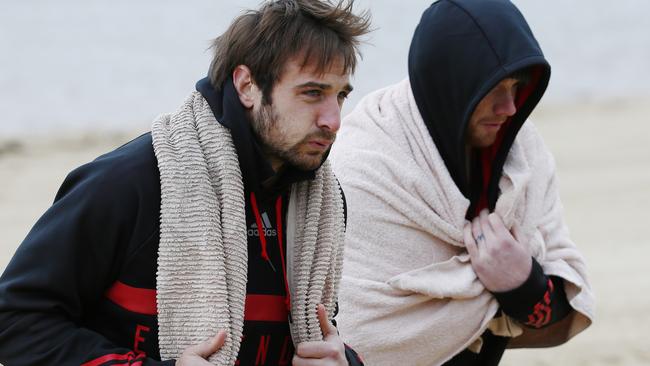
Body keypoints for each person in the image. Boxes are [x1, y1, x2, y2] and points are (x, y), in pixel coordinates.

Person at [0, 1, 370, 365]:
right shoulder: (130, 184)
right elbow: (15, 322)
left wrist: (344, 362)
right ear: (247, 85)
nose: (334, 120)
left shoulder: (322, 204)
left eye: (340, 95)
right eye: (312, 93)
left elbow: (316, 331)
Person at [330, 0, 595, 365]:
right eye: (494, 89)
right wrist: (498, 290)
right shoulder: (363, 168)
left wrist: (524, 286)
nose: (510, 107)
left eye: (516, 86)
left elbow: (568, 304)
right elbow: (357, 330)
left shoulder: (524, 154)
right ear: (451, 85)